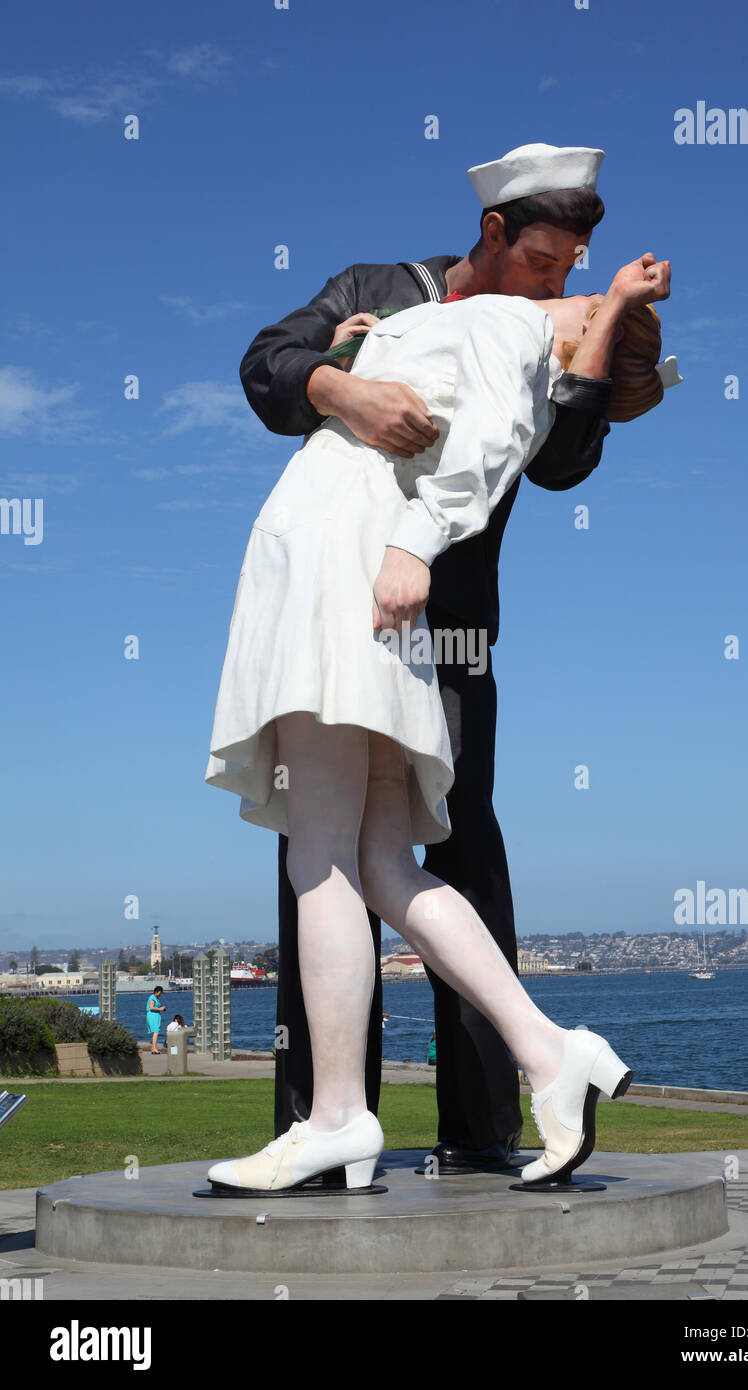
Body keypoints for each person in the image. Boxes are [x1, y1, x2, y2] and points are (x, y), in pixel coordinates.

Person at [204, 253, 675, 1193]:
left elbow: (492, 441)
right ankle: (550, 1053)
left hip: (342, 571)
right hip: (359, 570)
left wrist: (412, 545)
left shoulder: (517, 327)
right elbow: (288, 367)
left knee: (324, 854)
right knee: (379, 860)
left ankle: (337, 1115)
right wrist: (356, 352)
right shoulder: (494, 321)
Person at [146, 986, 165, 1054]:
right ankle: (154, 1048)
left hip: (155, 1016)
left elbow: (156, 1006)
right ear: (157, 992)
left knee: (155, 1031)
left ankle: (153, 1048)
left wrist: (161, 1008)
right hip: (152, 1015)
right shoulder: (152, 998)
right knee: (156, 1031)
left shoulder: (156, 998)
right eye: (160, 993)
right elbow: (151, 1007)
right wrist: (160, 1009)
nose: (160, 994)